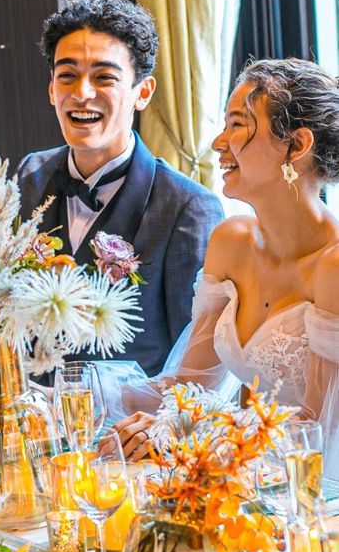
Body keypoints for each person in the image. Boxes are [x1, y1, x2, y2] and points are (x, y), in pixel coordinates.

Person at [106, 58, 339, 477]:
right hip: (254, 477)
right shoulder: (231, 242)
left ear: (297, 145)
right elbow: (190, 386)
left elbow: (317, 432)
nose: (218, 142)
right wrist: (81, 394)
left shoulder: (333, 267)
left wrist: (194, 432)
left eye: (237, 125)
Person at [14, 0, 224, 376]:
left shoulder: (187, 208)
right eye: (67, 76)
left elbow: (195, 365)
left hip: (130, 414)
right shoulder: (30, 176)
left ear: (142, 92)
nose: (82, 93)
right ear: (51, 89)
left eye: (104, 77)